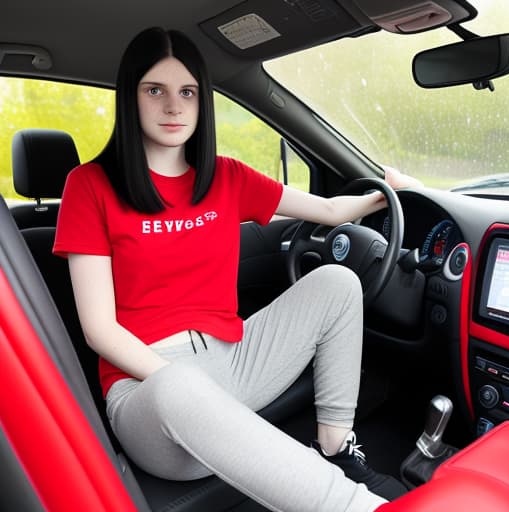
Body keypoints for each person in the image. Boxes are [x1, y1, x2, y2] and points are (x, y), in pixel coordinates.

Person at [53, 27, 414, 512]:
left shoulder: (226, 176)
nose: (173, 107)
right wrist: (186, 385)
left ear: (202, 103)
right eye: (154, 90)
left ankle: (334, 445)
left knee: (338, 281)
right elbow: (98, 329)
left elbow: (328, 211)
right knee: (179, 386)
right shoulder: (90, 186)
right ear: (130, 98)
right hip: (148, 392)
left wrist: (390, 193)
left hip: (234, 359)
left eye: (187, 92)